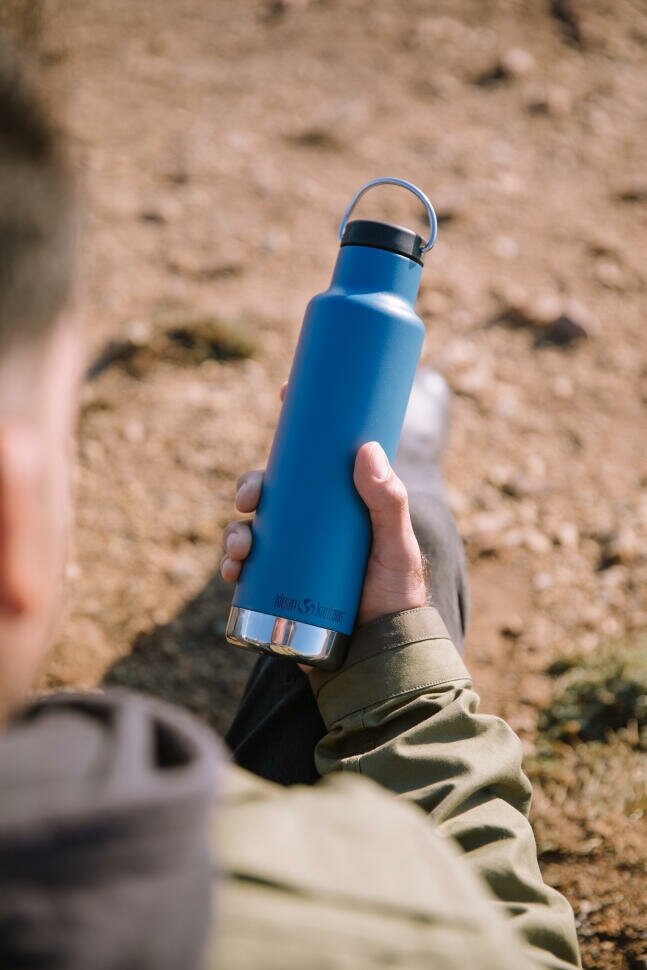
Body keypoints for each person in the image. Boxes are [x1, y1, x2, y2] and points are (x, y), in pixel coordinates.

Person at [0, 43, 581, 970]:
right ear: (10, 521)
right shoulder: (342, 928)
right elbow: (514, 943)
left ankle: (403, 449)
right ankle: (409, 450)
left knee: (377, 528)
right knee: (414, 535)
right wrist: (398, 677)